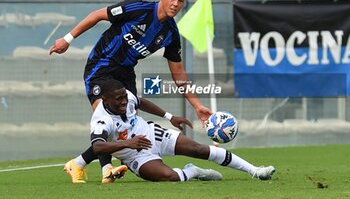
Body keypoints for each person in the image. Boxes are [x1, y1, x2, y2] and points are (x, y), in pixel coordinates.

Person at [49, 0, 212, 183]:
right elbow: (97, 15)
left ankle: (81, 164)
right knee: (106, 115)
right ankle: (105, 168)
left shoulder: (170, 33)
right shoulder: (138, 9)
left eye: (180, 1)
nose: (175, 4)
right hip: (102, 66)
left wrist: (197, 106)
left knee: (124, 124)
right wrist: (68, 38)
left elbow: (178, 73)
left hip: (126, 74)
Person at [65, 79, 276, 183]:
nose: (124, 101)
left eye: (124, 97)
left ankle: (255, 171)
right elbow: (98, 146)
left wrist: (169, 117)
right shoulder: (101, 120)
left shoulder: (126, 96)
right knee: (170, 177)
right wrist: (127, 144)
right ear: (105, 100)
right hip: (133, 155)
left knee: (200, 149)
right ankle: (193, 171)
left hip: (152, 134)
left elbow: (141, 102)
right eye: (118, 99)